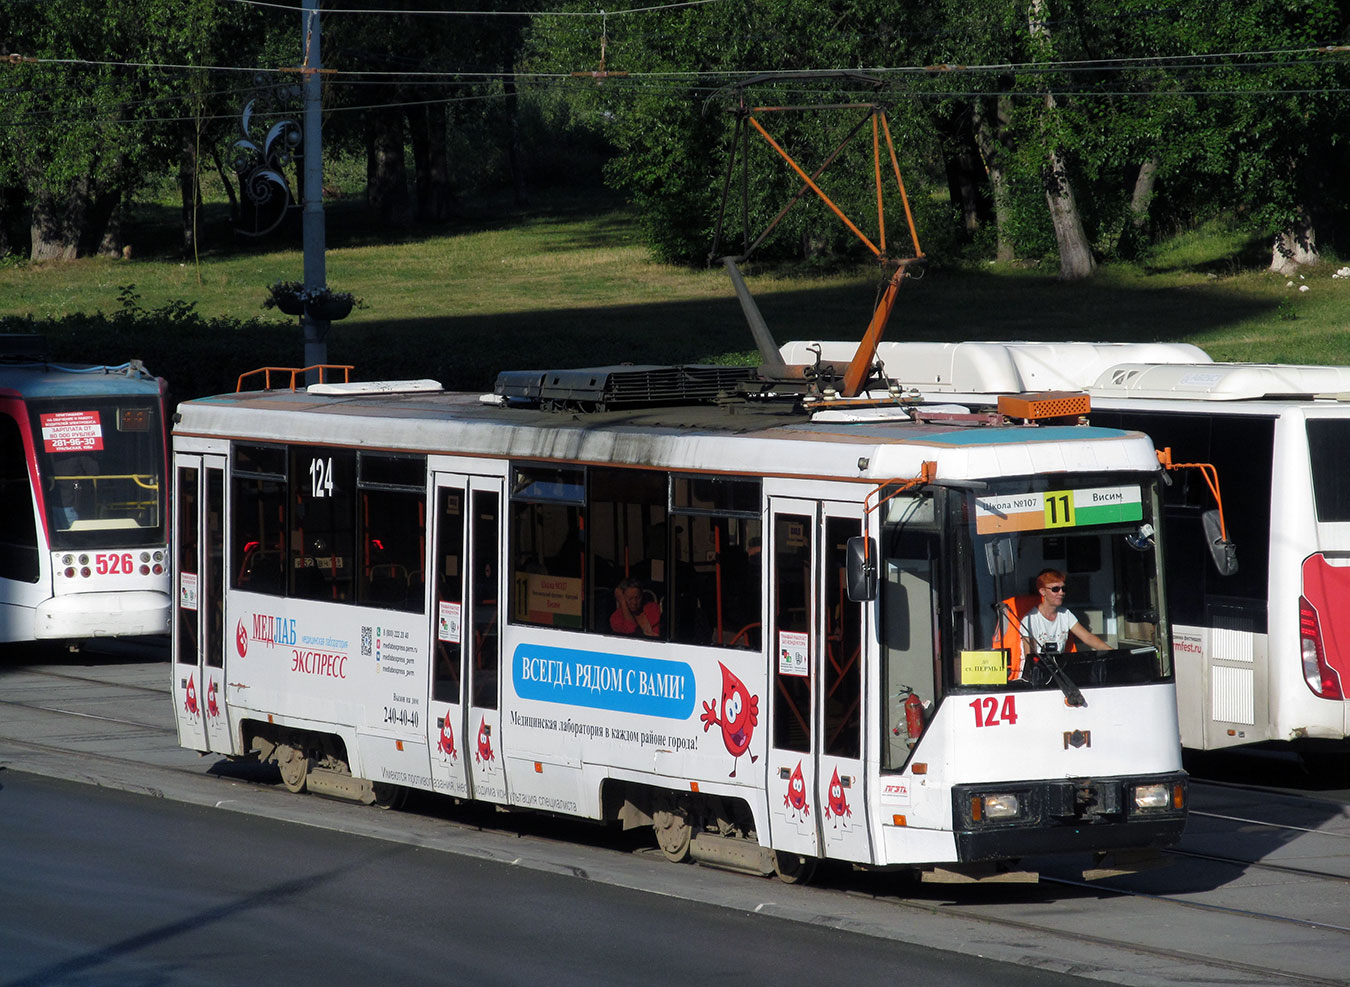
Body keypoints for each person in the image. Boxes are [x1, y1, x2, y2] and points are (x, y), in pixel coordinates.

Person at [994, 568, 1108, 680]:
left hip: (1060, 677)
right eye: (1055, 589)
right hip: (1034, 678)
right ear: (1042, 591)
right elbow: (1030, 656)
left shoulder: (1066, 614)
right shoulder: (1030, 619)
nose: (1061, 593)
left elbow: (1087, 637)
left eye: (1064, 589)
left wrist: (1112, 652)